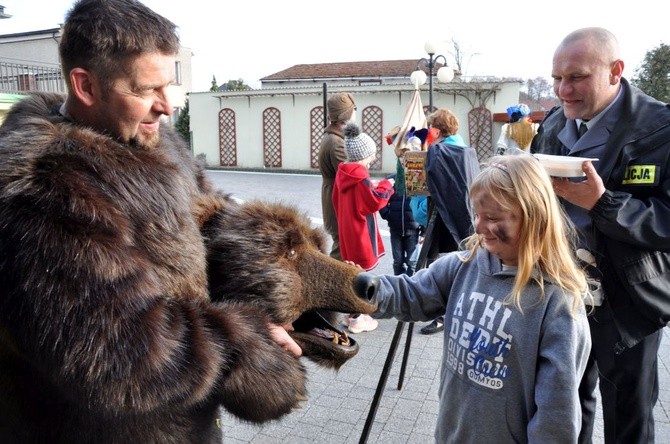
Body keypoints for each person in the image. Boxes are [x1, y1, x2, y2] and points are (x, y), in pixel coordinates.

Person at [0, 0, 305, 442]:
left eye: (170, 85)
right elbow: (122, 350)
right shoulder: (45, 187)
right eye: (145, 90)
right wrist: (247, 342)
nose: (166, 106)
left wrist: (286, 282)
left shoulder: (152, 139)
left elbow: (212, 222)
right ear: (85, 86)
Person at [373, 154, 592, 442]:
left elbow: (556, 416)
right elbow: (410, 294)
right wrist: (359, 288)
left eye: (492, 218)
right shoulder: (462, 266)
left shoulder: (558, 305)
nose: (477, 227)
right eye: (477, 215)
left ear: (533, 217)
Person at [531, 27, 670, 444]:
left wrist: (604, 203)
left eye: (576, 77)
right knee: (567, 403)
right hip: (561, 294)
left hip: (627, 301)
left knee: (628, 414)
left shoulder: (660, 129)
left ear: (615, 71)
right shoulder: (554, 123)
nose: (563, 89)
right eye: (557, 78)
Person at [415, 108, 476, 335]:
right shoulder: (465, 149)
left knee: (438, 264)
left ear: (437, 130)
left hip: (442, 217)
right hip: (464, 216)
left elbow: (429, 187)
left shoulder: (440, 151)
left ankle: (440, 313)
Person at [333, 122, 394, 333]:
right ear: (364, 155)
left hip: (347, 232)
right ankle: (359, 317)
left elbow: (341, 201)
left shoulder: (343, 175)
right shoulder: (360, 178)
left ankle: (351, 315)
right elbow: (374, 201)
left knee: (353, 271)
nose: (373, 159)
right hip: (361, 234)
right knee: (363, 275)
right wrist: (387, 185)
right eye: (372, 155)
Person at [318, 92, 357, 260]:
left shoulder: (333, 137)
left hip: (333, 192)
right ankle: (330, 284)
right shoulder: (337, 142)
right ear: (346, 115)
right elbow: (349, 176)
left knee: (342, 244)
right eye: (354, 109)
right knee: (342, 248)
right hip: (338, 197)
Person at [379, 175, 420, 276]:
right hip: (395, 228)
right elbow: (381, 198)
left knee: (412, 261)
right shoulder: (391, 180)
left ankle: (411, 286)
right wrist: (387, 215)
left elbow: (424, 203)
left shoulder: (417, 179)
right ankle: (398, 285)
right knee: (397, 261)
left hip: (413, 228)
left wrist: (423, 227)